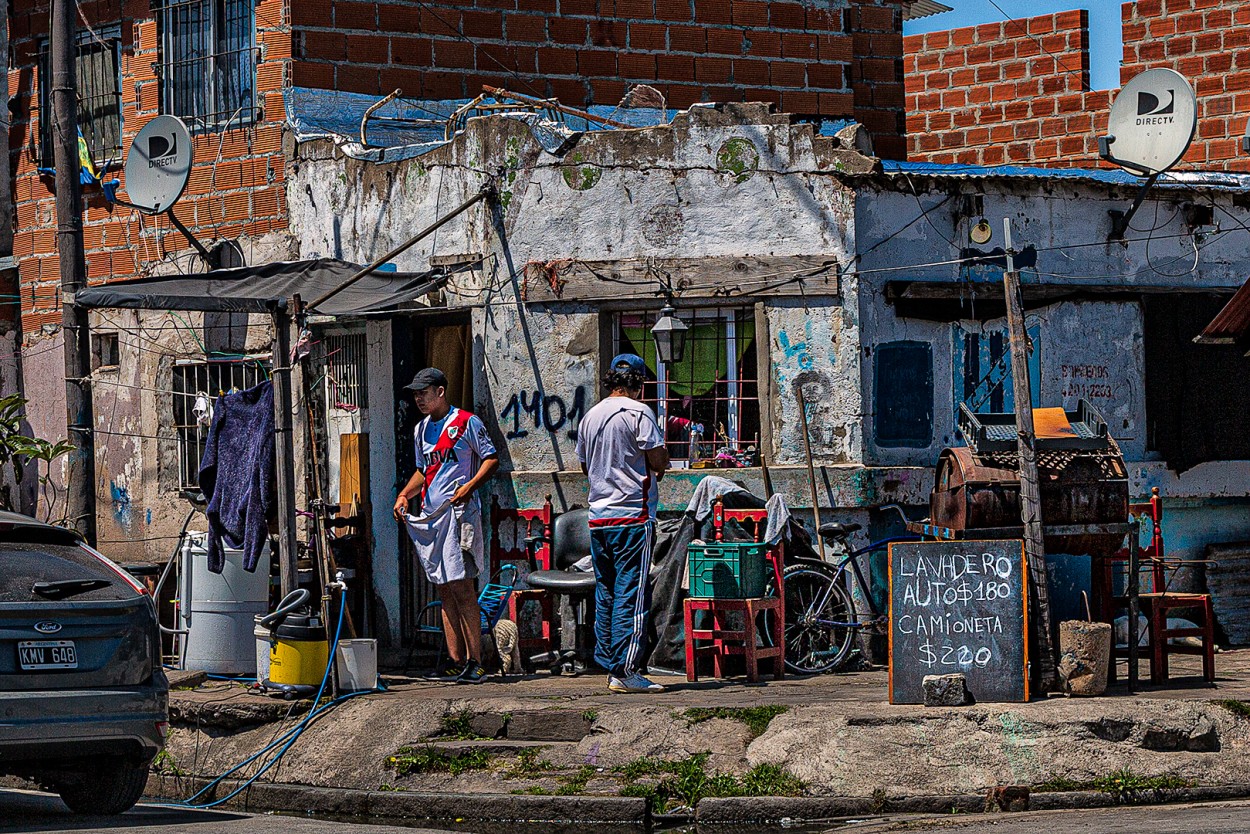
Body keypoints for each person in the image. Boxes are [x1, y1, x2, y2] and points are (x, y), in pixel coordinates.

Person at [393, 367, 499, 684]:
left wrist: (470, 486)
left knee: (463, 587)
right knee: (444, 587)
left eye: (424, 392)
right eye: (415, 394)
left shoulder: (467, 422)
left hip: (460, 515)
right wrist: (404, 494)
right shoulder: (421, 430)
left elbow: (491, 458)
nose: (419, 399)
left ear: (440, 391)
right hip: (432, 515)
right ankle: (454, 660)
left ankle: (475, 661)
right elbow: (424, 471)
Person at [575, 353, 670, 693]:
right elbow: (659, 460)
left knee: (608, 592)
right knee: (631, 592)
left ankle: (611, 665)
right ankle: (627, 669)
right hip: (633, 515)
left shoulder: (590, 416)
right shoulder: (638, 412)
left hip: (599, 518)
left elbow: (586, 467)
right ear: (639, 384)